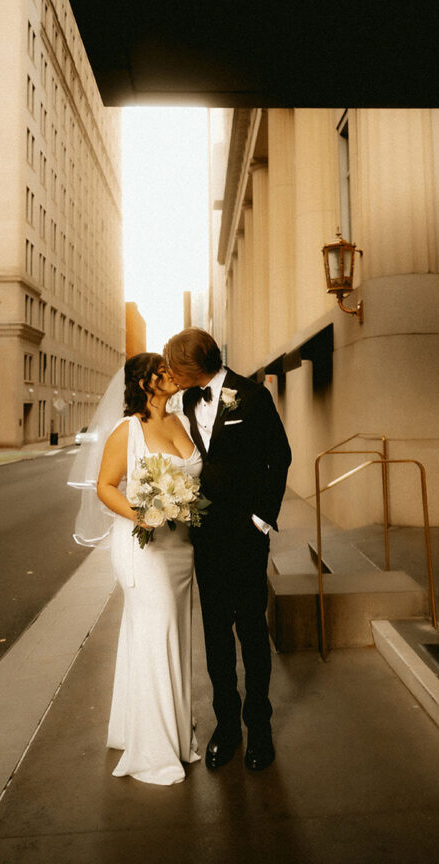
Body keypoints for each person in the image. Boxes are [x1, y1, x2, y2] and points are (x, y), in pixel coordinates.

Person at [163, 328, 292, 772]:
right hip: (205, 537)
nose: (171, 375)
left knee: (252, 630)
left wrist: (262, 518)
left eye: (174, 367)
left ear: (192, 365)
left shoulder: (252, 396)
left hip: (246, 536)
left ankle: (259, 727)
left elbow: (282, 456)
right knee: (215, 634)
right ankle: (226, 729)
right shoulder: (181, 403)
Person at [94, 353, 203, 785]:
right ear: (144, 382)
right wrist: (142, 515)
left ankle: (173, 736)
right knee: (156, 636)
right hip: (146, 547)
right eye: (163, 371)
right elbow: (105, 486)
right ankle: (154, 749)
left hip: (181, 547)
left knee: (174, 637)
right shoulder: (127, 430)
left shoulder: (179, 421)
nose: (171, 374)